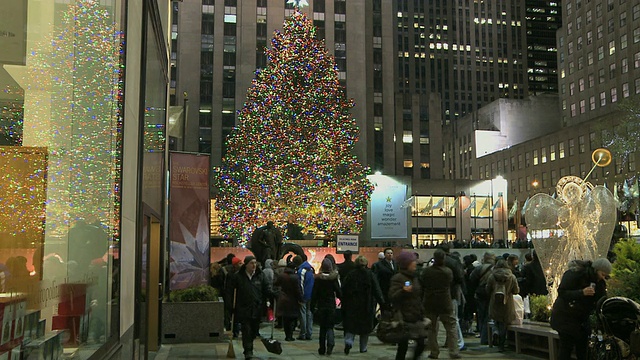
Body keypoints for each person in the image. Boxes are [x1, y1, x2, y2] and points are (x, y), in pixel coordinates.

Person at [550, 258, 610, 360]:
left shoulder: (599, 283)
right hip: (565, 317)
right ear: (596, 270)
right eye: (602, 274)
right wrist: (581, 292)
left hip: (581, 320)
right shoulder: (576, 274)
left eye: (605, 276)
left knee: (583, 350)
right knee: (566, 348)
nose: (603, 278)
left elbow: (600, 301)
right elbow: (562, 292)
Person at [226, 255, 277, 360]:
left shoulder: (260, 275)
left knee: (253, 331)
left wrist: (274, 294)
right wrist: (230, 306)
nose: (254, 265)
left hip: (257, 309)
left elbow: (266, 289)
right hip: (243, 308)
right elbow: (230, 291)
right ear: (246, 264)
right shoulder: (238, 276)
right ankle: (248, 351)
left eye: (255, 263)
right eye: (251, 263)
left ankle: (249, 346)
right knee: (246, 330)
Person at [421, 249, 461, 359]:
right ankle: (453, 351)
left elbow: (422, 283)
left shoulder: (427, 271)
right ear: (443, 259)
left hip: (430, 301)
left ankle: (434, 352)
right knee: (451, 327)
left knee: (431, 329)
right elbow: (452, 281)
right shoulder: (447, 271)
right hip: (445, 301)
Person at [341, 255, 383, 354]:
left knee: (351, 326)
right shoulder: (370, 274)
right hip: (366, 305)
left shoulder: (351, 274)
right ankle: (363, 348)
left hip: (352, 304)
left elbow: (344, 288)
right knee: (365, 329)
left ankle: (349, 341)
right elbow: (376, 290)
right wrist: (382, 301)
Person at [389, 252, 428, 360]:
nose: (415, 264)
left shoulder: (415, 277)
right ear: (406, 264)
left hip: (416, 314)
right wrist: (403, 291)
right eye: (412, 262)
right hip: (404, 315)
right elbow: (392, 296)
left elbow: (418, 296)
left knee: (421, 342)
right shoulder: (398, 278)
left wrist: (422, 311)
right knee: (403, 345)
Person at [437, 243, 466, 351]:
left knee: (448, 320)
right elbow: (460, 277)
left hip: (439, 293)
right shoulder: (455, 261)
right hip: (453, 292)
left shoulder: (435, 262)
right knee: (453, 319)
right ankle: (455, 342)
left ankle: (456, 343)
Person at [486, 259, 520, 352]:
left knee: (496, 319)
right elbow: (516, 290)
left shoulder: (492, 276)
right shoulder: (511, 276)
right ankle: (501, 344)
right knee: (504, 323)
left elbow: (487, 289)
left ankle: (495, 332)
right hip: (507, 302)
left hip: (495, 302)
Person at [311, 258, 342, 355]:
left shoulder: (318, 279)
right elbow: (339, 293)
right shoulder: (333, 279)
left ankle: (322, 348)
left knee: (322, 328)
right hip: (331, 305)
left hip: (321, 305)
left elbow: (314, 294)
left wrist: (312, 307)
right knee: (330, 327)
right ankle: (331, 344)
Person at [468, 252, 496, 345]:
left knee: (481, 316)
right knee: (489, 316)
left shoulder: (479, 268)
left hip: (480, 293)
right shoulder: (495, 268)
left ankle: (483, 337)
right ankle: (488, 337)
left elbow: (471, 279)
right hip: (491, 293)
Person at [274, 260, 302, 341]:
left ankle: (287, 335)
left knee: (286, 318)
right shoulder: (295, 277)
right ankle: (290, 335)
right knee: (293, 318)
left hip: (284, 298)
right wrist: (301, 299)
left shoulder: (282, 275)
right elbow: (298, 290)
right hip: (293, 300)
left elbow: (275, 284)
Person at [295, 254, 315, 340]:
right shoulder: (310, 269)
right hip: (311, 294)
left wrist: (300, 296)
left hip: (304, 295)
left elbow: (301, 284)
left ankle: (303, 333)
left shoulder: (301, 271)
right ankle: (309, 333)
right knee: (309, 314)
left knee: (302, 314)